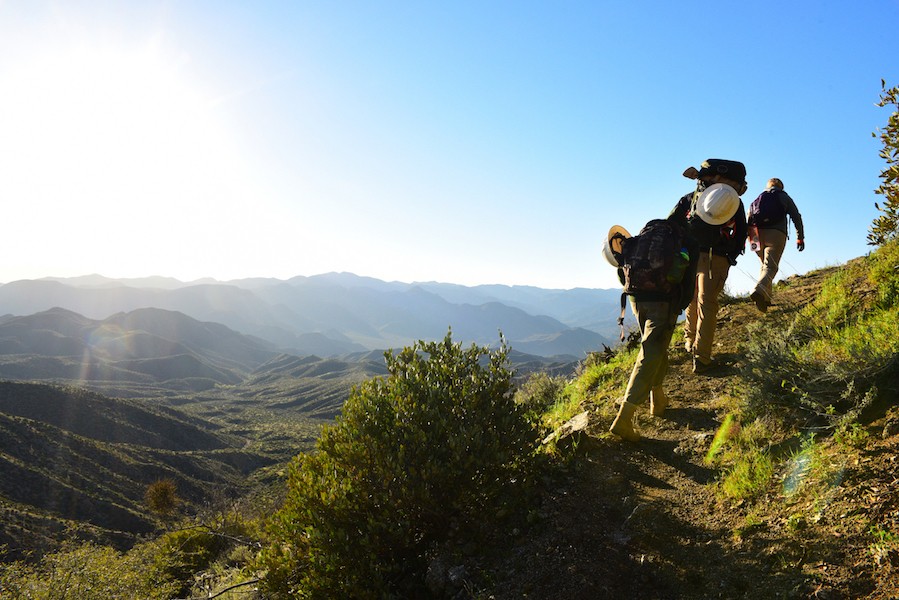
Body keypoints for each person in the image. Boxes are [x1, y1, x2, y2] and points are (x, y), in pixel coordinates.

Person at [606, 217, 699, 442]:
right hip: (662, 301)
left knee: (657, 349)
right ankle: (624, 418)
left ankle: (657, 401)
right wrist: (680, 304)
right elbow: (687, 280)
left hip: (636, 300)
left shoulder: (639, 240)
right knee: (650, 354)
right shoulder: (682, 241)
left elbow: (621, 273)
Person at [669, 159, 748, 375]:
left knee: (692, 298)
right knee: (708, 304)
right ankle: (702, 357)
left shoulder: (690, 198)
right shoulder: (733, 203)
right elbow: (742, 231)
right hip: (717, 256)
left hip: (690, 255)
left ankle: (689, 340)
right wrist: (731, 255)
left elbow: (671, 223)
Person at [747, 178, 805, 312]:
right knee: (771, 267)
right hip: (776, 233)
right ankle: (758, 291)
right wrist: (800, 237)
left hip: (755, 235)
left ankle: (765, 300)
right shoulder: (783, 197)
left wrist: (745, 239)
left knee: (764, 265)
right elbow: (796, 216)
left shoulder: (757, 199)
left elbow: (749, 218)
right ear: (781, 187)